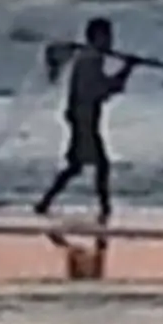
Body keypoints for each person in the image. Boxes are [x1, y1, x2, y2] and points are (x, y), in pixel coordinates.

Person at [35, 16, 132, 221]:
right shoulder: (91, 59)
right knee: (100, 165)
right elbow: (102, 89)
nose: (110, 43)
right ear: (96, 37)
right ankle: (105, 208)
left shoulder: (88, 57)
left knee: (76, 166)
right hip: (84, 119)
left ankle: (46, 202)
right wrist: (127, 70)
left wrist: (125, 71)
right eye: (106, 37)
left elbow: (102, 89)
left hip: (82, 117)